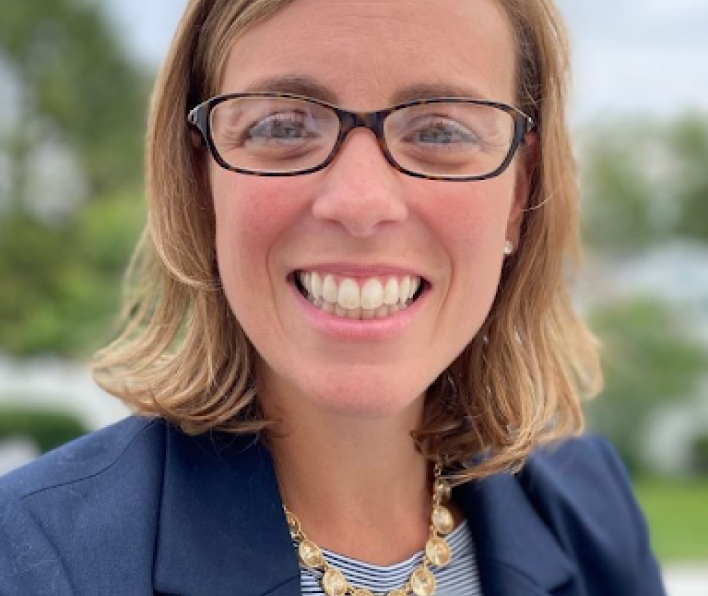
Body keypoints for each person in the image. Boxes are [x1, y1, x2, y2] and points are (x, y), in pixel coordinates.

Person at [0, 0, 667, 595]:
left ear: (519, 194)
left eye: (439, 132)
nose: (360, 203)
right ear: (201, 179)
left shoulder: (591, 510)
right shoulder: (34, 558)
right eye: (283, 126)